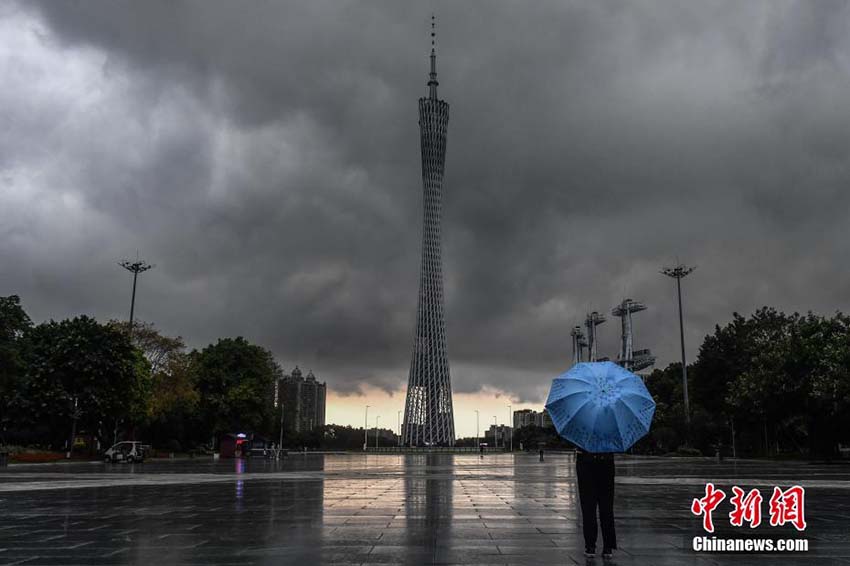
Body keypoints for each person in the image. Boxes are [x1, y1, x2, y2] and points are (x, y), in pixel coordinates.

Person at [575, 449, 616, 559]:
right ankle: (608, 548)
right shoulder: (609, 432)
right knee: (606, 507)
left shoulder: (582, 432)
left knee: (588, 508)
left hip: (585, 462)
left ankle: (590, 547)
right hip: (606, 461)